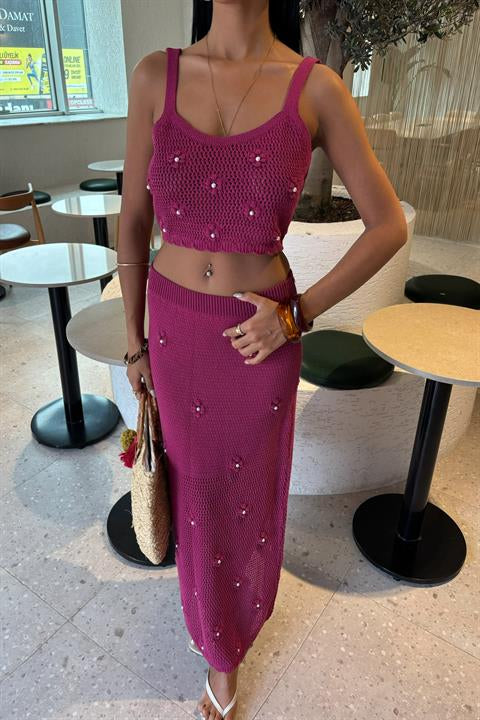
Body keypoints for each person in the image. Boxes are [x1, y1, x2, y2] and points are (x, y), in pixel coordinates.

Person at [117, 2, 407, 718]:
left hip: (261, 340)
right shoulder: (155, 76)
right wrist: (134, 339)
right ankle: (214, 640)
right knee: (194, 494)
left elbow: (387, 225)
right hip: (177, 335)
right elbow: (133, 220)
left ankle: (226, 649)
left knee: (242, 500)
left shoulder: (316, 88)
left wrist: (297, 315)